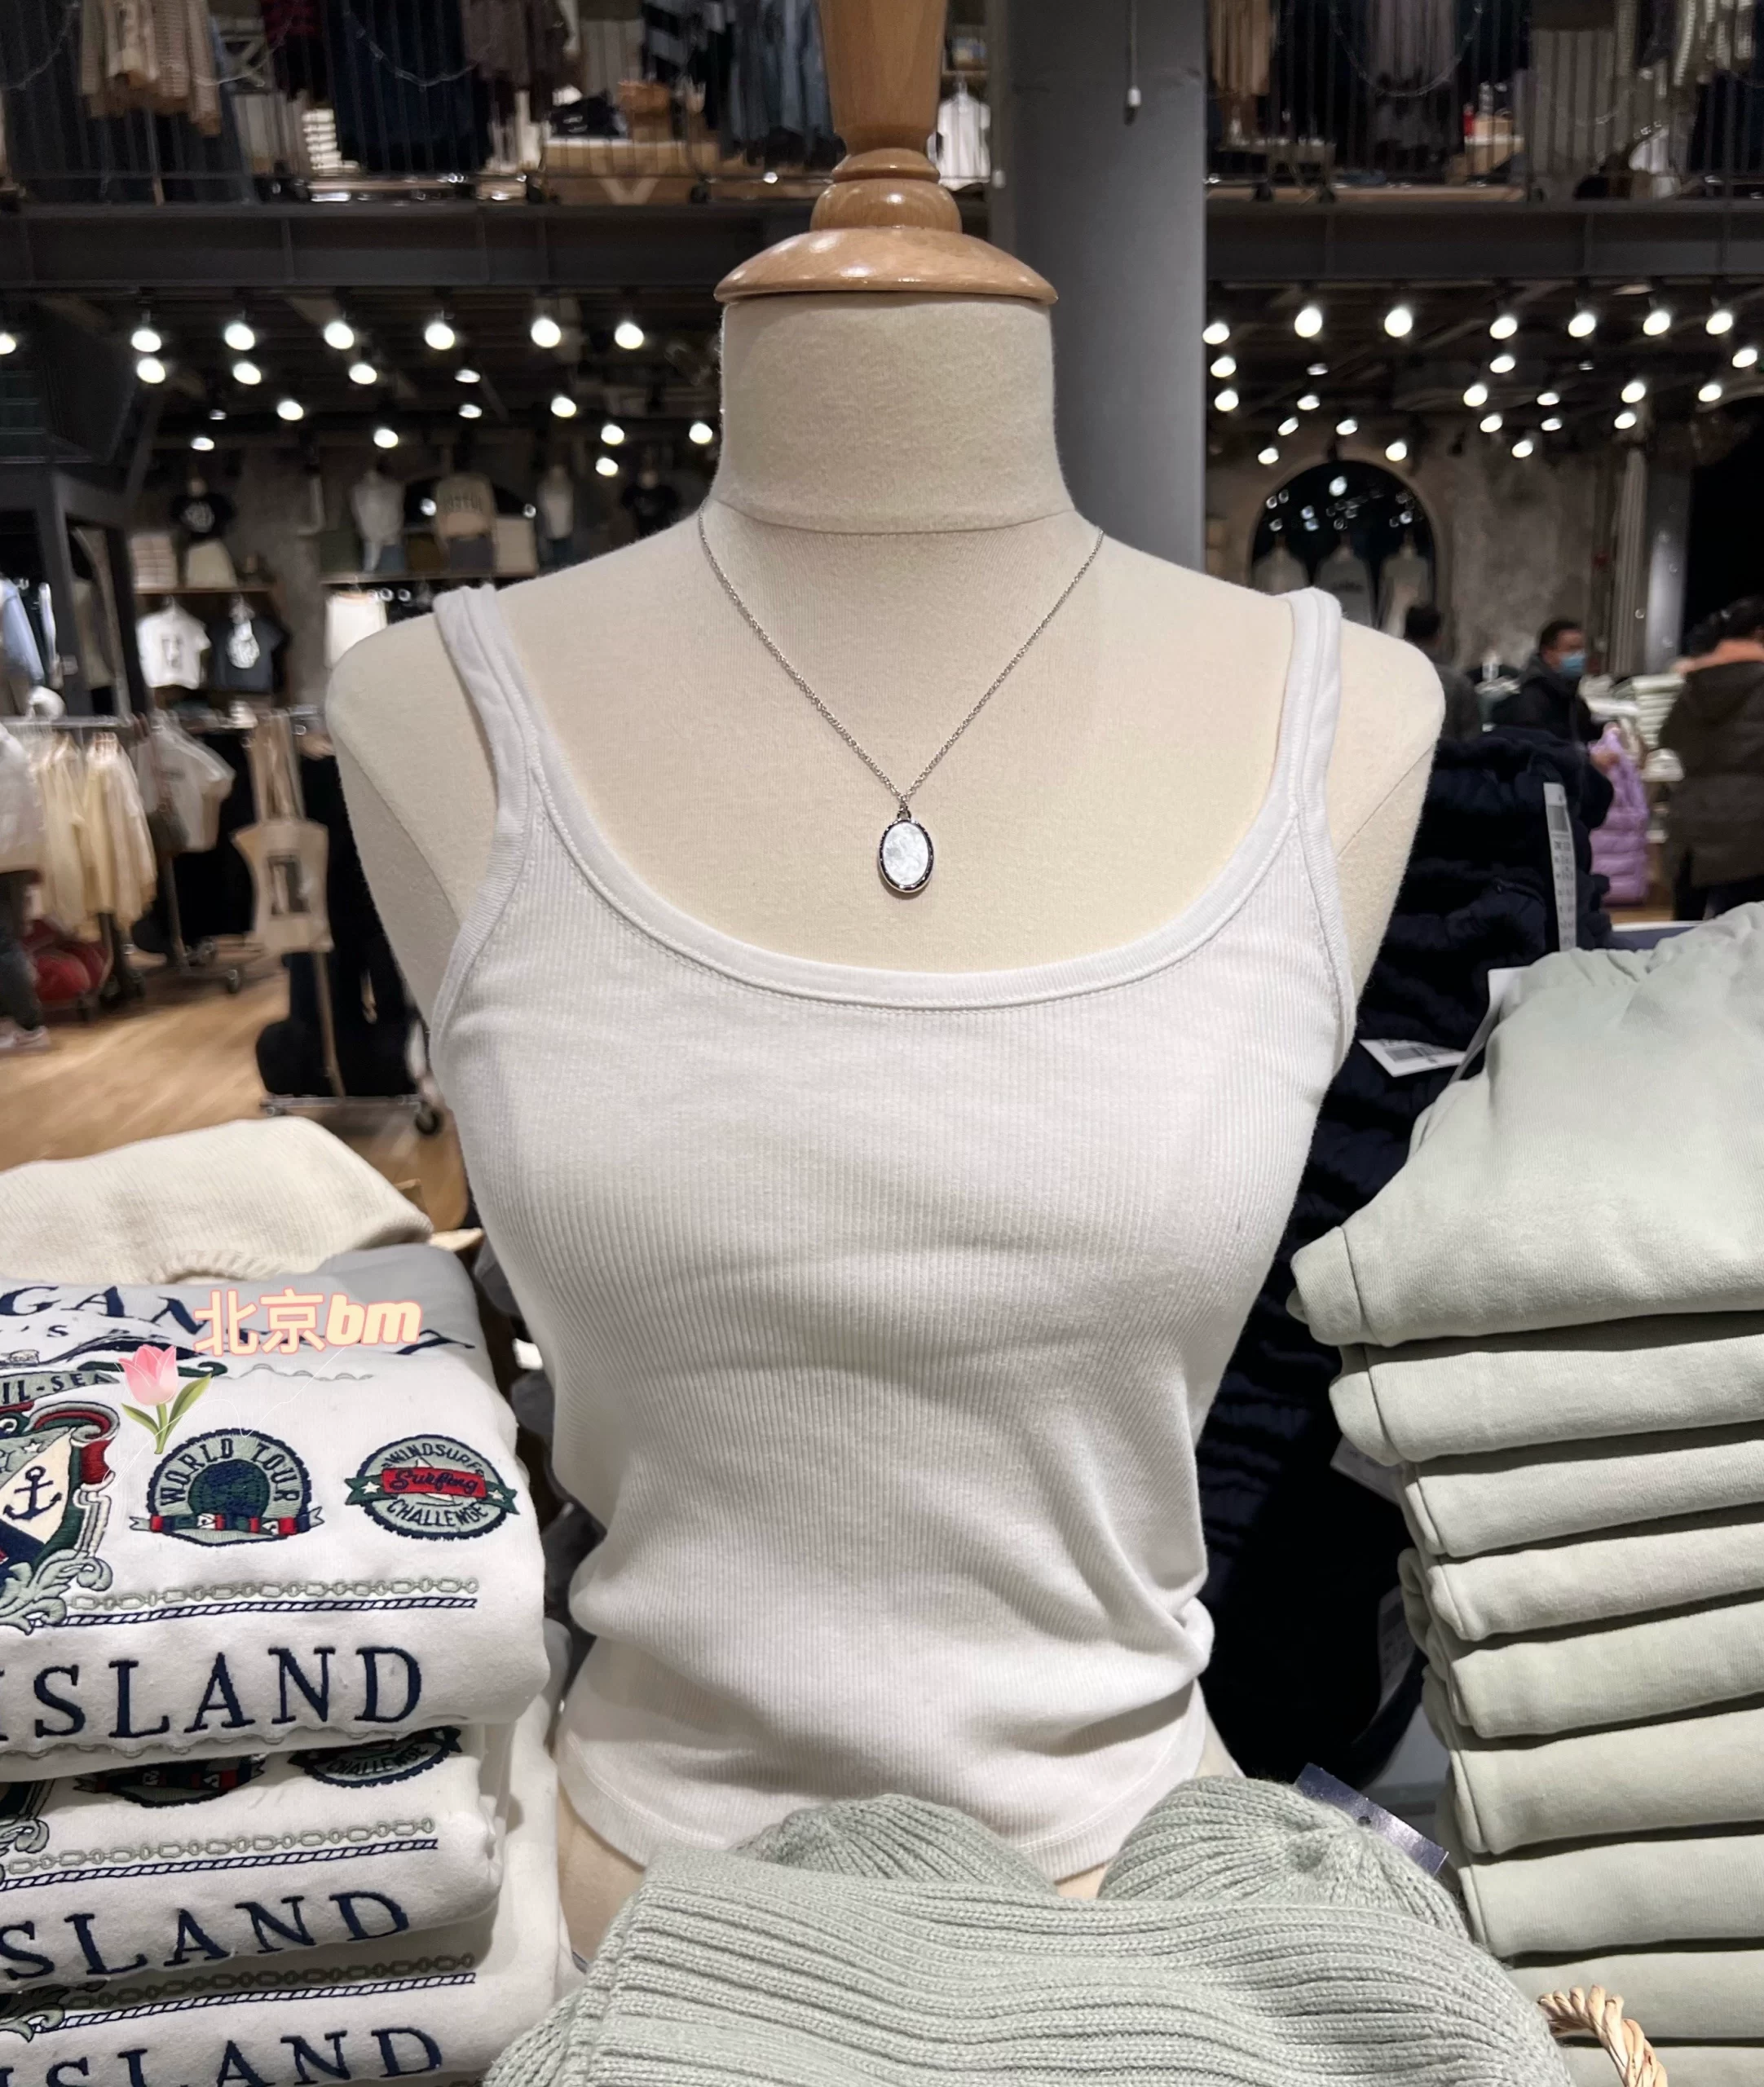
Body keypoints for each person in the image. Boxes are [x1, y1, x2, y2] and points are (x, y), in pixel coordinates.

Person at [1660, 595, 1764, 918]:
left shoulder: (1697, 681)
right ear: (1759, 633)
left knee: (1684, 932)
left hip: (1691, 823)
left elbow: (1669, 737)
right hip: (1752, 829)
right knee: (1745, 933)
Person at [0, 719, 50, 1054]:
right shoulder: (12, 746)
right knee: (7, 940)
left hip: (5, 854)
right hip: (16, 853)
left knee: (3, 945)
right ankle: (15, 1023)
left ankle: (30, 1025)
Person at [1492, 617, 1599, 745]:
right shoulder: (1530, 701)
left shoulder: (1570, 696)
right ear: (1547, 654)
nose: (1579, 656)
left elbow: (1586, 732)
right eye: (1571, 649)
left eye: (1581, 650)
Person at [1403, 603, 1482, 740]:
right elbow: (1472, 741)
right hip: (1446, 753)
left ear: (1404, 635)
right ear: (1438, 637)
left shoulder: (1386, 678)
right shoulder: (1459, 684)